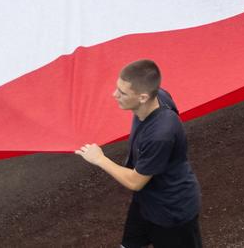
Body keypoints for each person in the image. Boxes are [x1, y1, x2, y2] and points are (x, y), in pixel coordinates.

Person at [76, 60, 203, 248]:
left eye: (122, 93)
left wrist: (100, 159)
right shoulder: (157, 95)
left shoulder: (160, 135)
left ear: (143, 97)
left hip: (172, 211)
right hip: (147, 201)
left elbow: (135, 182)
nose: (114, 95)